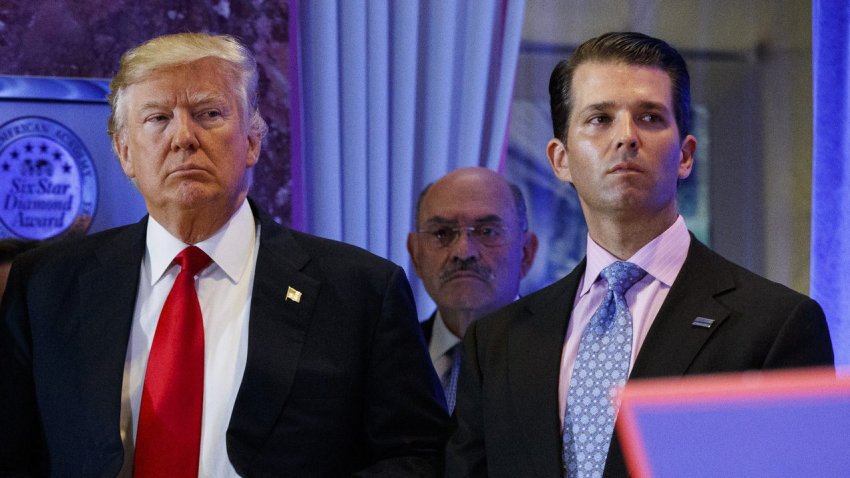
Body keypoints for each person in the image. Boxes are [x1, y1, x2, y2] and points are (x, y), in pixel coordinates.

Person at [0, 33, 448, 477]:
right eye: (157, 118)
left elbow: (415, 455)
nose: (183, 138)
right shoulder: (47, 285)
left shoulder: (360, 291)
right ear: (124, 152)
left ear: (252, 139)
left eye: (208, 114)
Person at [444, 31, 834, 478]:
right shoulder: (496, 342)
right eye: (600, 119)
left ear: (686, 155)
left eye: (649, 117)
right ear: (560, 159)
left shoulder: (775, 325)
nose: (626, 136)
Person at [408, 167, 538, 414]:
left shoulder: (562, 358)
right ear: (415, 254)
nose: (463, 252)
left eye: (487, 231)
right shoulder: (387, 362)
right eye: (442, 233)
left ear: (526, 253)